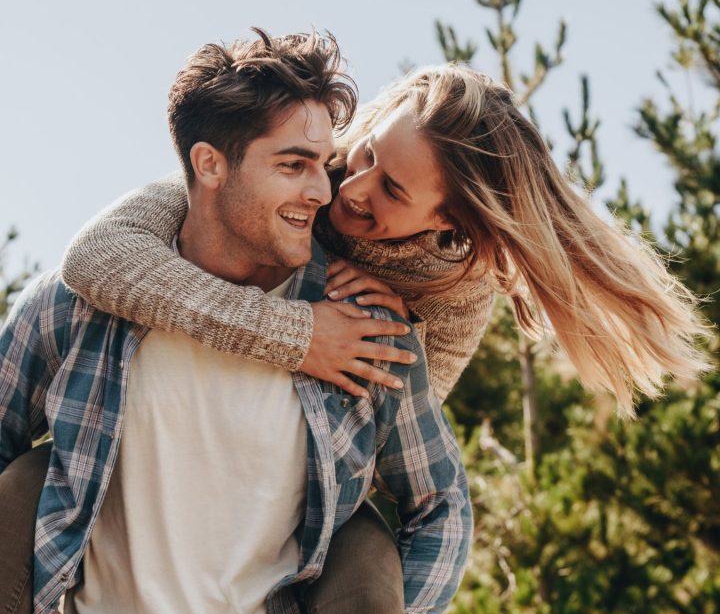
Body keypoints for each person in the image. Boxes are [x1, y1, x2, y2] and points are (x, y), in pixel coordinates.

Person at [0, 29, 470, 614]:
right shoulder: (86, 302)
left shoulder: (363, 330)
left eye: (324, 164)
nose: (325, 193)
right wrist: (40, 609)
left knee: (365, 539)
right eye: (293, 166)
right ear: (209, 164)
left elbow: (441, 503)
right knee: (25, 478)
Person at [60, 63, 710, 415]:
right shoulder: (304, 171)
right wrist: (299, 333)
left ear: (449, 223)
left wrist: (401, 335)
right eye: (366, 154)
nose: (351, 188)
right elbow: (100, 255)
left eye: (394, 191)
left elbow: (400, 441)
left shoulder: (454, 288)